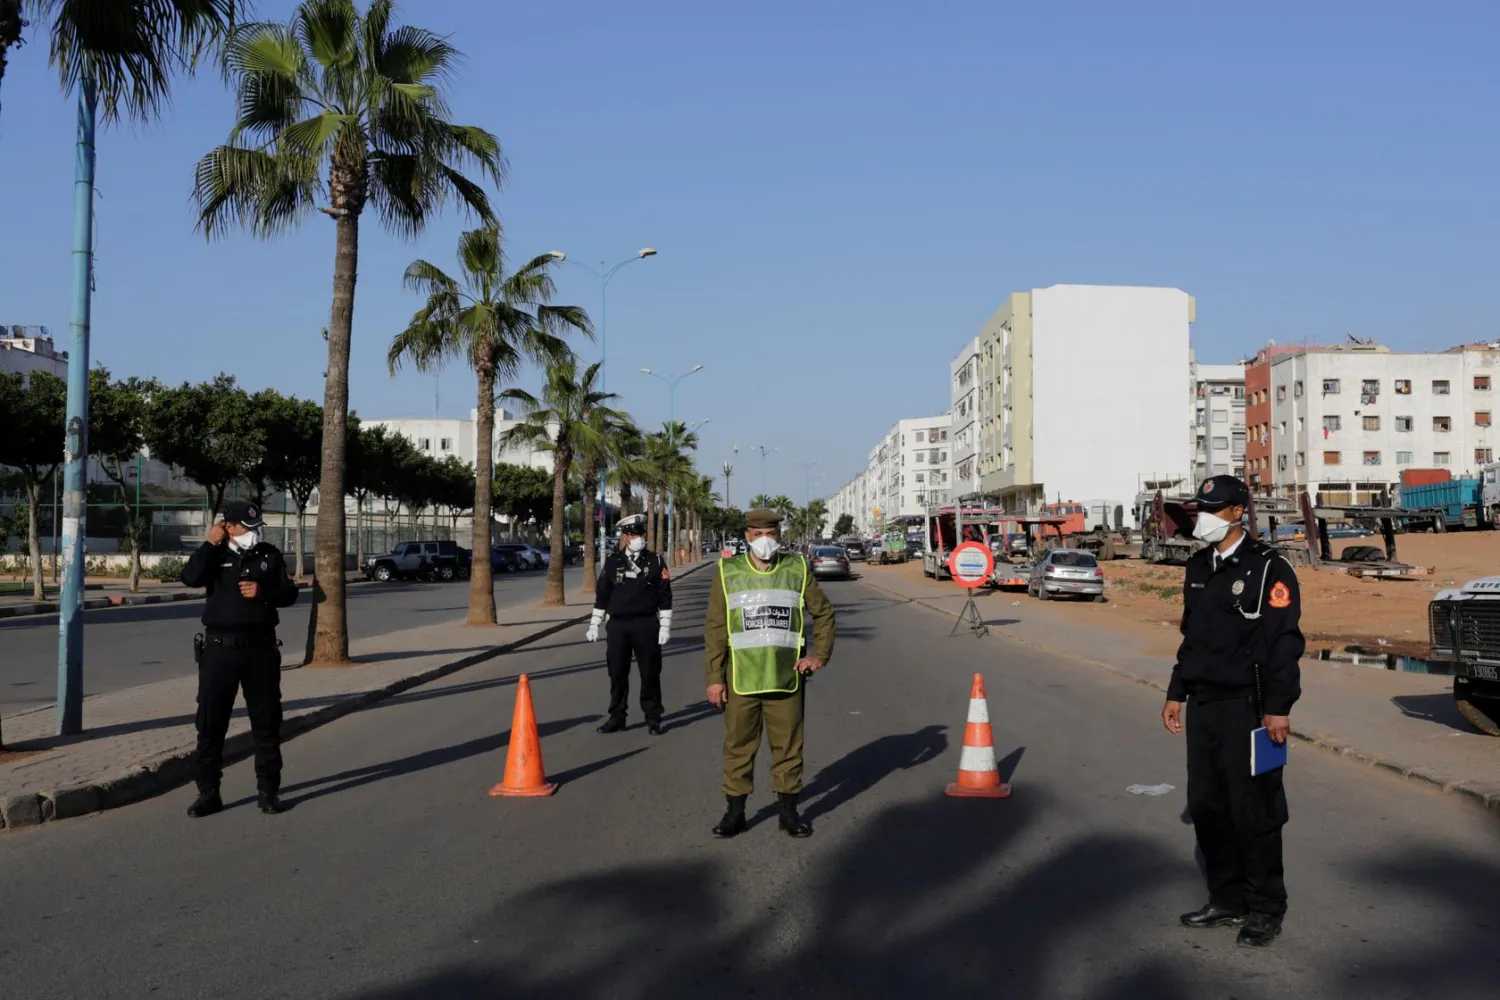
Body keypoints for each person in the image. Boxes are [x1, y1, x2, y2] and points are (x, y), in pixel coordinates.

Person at [1162, 474, 1304, 948]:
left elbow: (1284, 641)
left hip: (1251, 708)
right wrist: (1176, 691)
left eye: (1214, 509)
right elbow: (1192, 638)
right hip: (1204, 706)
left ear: (1238, 512)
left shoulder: (1269, 568)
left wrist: (1278, 707)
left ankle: (1265, 906)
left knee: (1256, 809)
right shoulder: (1199, 566)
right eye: (1200, 508)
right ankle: (1226, 899)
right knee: (1208, 806)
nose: (1202, 517)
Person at [703, 507, 836, 839]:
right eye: (758, 534)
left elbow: (824, 614)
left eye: (771, 534)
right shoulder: (727, 571)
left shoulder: (798, 568)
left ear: (779, 535)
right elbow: (716, 628)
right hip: (741, 679)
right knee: (738, 746)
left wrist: (819, 655)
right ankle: (735, 814)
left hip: (785, 678)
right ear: (748, 535)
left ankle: (789, 813)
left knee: (789, 746)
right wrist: (714, 677)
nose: (764, 540)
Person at [179, 500, 300, 818]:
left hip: (260, 650)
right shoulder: (213, 555)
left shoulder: (269, 555)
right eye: (246, 528)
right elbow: (189, 577)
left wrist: (264, 594)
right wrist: (209, 542)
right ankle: (208, 793)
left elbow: (289, 594)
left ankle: (268, 791)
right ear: (227, 527)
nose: (253, 534)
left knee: (267, 723)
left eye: (256, 528)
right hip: (219, 651)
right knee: (210, 724)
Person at [586, 514, 673, 735]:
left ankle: (653, 717)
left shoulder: (655, 561)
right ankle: (617, 716)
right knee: (617, 672)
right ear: (625, 537)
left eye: (640, 534)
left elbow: (664, 595)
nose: (638, 538)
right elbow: (603, 594)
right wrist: (594, 623)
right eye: (633, 535)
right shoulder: (614, 561)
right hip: (618, 625)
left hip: (645, 624)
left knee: (650, 672)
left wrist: (665, 626)